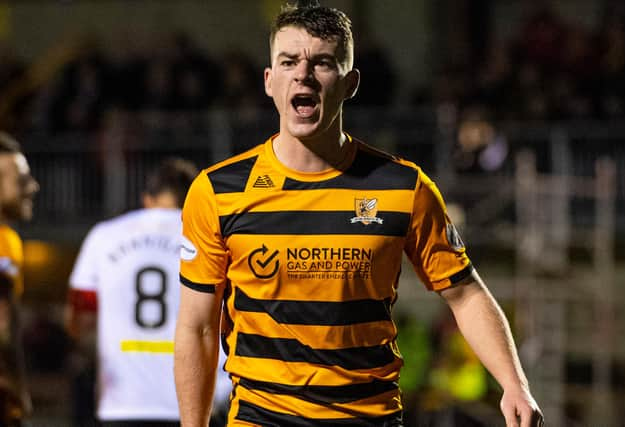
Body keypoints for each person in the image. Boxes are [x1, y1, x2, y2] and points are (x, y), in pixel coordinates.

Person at [174, 3, 544, 427]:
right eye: (289, 61)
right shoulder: (219, 192)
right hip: (262, 417)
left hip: (369, 417)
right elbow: (197, 328)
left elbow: (464, 293)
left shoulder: (405, 187)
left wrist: (514, 384)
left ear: (350, 83)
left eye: (323, 63)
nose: (303, 74)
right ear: (269, 80)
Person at [67, 158, 232, 427]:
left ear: (147, 199)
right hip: (196, 403)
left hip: (124, 402)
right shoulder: (209, 235)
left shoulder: (103, 236)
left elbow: (80, 320)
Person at [0, 132, 39, 426]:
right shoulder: (4, 241)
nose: (33, 186)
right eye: (22, 179)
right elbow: (3, 327)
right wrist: (17, 392)